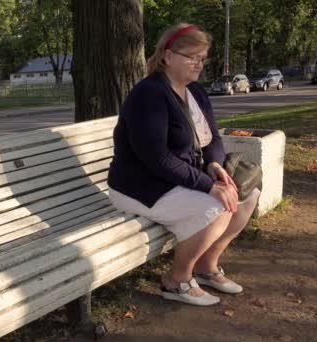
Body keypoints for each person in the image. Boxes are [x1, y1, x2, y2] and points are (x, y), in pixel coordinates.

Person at [107, 23, 260, 306]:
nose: (199, 64)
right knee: (217, 207)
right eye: (192, 57)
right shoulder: (149, 95)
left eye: (202, 58)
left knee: (247, 196)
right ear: (167, 55)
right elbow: (157, 159)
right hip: (140, 185)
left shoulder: (196, 92)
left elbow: (212, 137)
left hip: (177, 178)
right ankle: (176, 280)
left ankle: (206, 266)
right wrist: (208, 186)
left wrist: (216, 166)